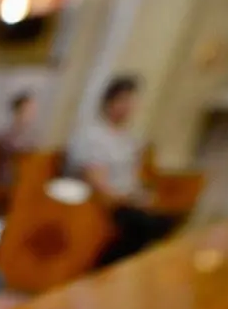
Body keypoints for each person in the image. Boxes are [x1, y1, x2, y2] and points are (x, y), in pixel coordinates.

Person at [70, 75, 176, 266]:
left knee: (166, 220)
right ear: (110, 102)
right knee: (143, 224)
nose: (128, 106)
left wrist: (141, 196)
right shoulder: (94, 136)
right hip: (101, 202)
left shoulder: (127, 138)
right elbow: (97, 183)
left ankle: (122, 267)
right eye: (123, 100)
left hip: (125, 199)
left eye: (131, 101)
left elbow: (132, 177)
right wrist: (129, 200)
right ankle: (103, 269)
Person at [0, 91, 35, 186]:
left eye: (32, 109)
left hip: (25, 176)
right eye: (28, 109)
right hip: (9, 178)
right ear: (19, 111)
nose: (32, 113)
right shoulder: (10, 133)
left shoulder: (30, 133)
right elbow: (13, 155)